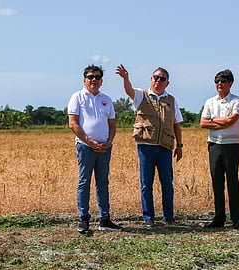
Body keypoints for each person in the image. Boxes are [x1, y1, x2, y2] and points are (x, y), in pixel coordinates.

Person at [115, 64, 183, 228]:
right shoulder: (141, 95)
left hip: (165, 146)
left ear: (167, 83)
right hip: (146, 145)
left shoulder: (171, 100)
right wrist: (125, 78)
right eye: (156, 77)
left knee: (167, 183)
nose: (158, 81)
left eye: (162, 79)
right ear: (151, 79)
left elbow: (177, 124)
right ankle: (148, 217)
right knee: (147, 183)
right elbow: (129, 91)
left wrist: (179, 145)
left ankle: (169, 217)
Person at [68, 64, 123, 234]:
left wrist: (109, 141)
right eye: (90, 77)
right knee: (84, 182)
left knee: (102, 183)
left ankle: (104, 219)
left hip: (104, 148)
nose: (94, 80)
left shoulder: (106, 99)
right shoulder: (77, 97)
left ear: (101, 81)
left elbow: (112, 125)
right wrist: (90, 142)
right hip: (85, 147)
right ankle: (83, 219)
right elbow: (73, 124)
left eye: (97, 77)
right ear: (84, 80)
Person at [200, 69, 239, 229]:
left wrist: (214, 121)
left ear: (230, 83)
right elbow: (203, 123)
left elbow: (233, 120)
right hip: (214, 145)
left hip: (231, 145)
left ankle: (235, 219)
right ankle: (219, 218)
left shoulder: (236, 101)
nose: (219, 84)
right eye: (216, 81)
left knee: (232, 181)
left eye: (223, 81)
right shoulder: (210, 101)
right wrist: (222, 122)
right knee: (217, 182)